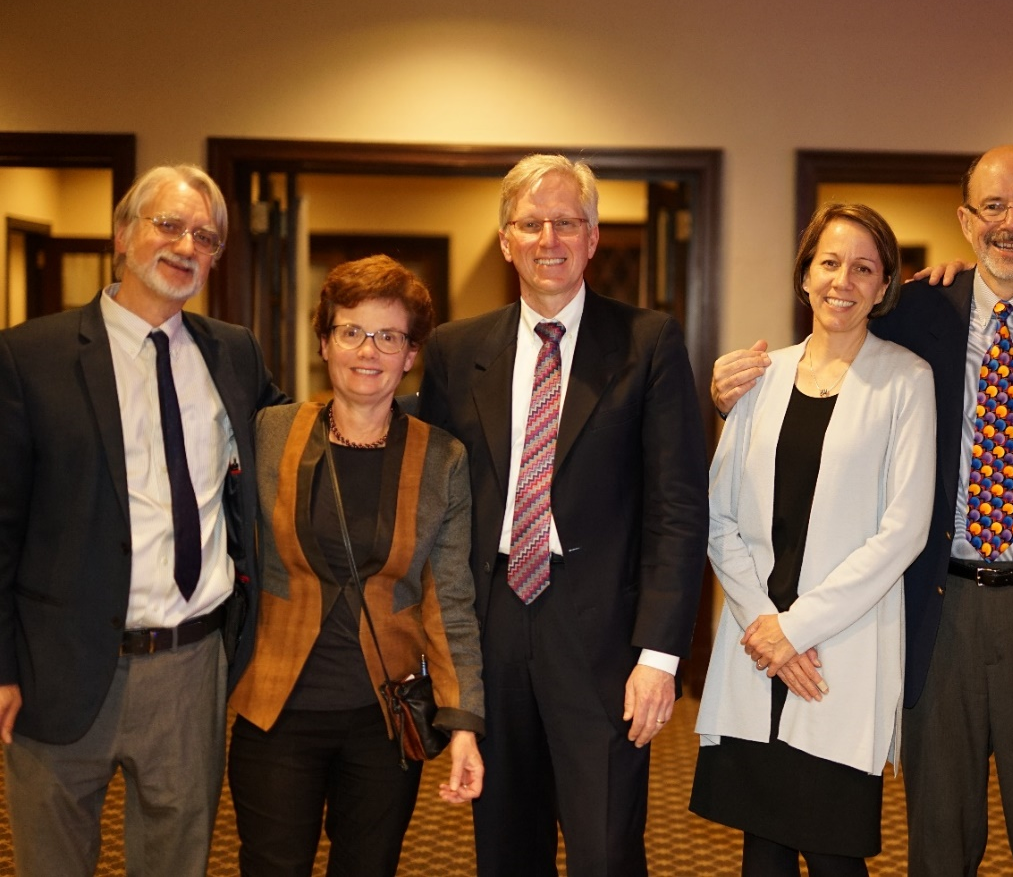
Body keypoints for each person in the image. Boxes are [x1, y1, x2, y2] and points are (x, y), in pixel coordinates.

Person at [712, 145, 1013, 875]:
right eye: (993, 208)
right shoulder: (922, 314)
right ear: (965, 220)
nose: (1012, 223)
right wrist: (730, 389)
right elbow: (829, 354)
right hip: (940, 607)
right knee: (939, 839)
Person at [419, 154, 708, 875]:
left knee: (606, 850)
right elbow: (435, 508)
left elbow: (678, 510)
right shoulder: (457, 351)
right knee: (505, 849)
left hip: (604, 638)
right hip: (493, 625)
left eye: (567, 222)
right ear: (506, 237)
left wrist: (660, 657)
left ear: (593, 236)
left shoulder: (649, 343)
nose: (550, 238)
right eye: (532, 222)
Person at [0, 164, 286, 875]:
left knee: (176, 862)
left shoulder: (235, 353)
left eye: (206, 236)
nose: (187, 245)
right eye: (168, 225)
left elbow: (295, 447)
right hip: (56, 667)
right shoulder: (28, 356)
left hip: (191, 669)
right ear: (123, 235)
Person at [691, 203, 934, 875]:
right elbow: (719, 518)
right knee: (762, 855)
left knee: (834, 858)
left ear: (885, 286)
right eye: (830, 262)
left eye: (864, 268)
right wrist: (767, 627)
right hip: (757, 649)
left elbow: (903, 531)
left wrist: (797, 630)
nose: (843, 280)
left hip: (836, 655)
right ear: (805, 274)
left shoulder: (906, 381)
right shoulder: (761, 376)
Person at [226, 255, 485, 875]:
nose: (368, 351)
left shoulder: (441, 459)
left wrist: (464, 721)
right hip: (275, 709)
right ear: (324, 342)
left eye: (389, 336)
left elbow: (450, 599)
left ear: (410, 354)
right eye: (351, 331)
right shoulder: (270, 432)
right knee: (271, 866)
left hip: (383, 717)